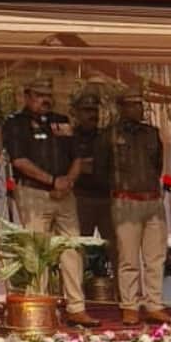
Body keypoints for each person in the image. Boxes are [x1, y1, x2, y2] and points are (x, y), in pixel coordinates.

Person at [2, 77, 100, 327]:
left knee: (71, 249)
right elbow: (19, 161)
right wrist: (52, 181)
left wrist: (67, 180)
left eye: (48, 95)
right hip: (34, 194)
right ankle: (40, 307)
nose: (44, 100)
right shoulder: (16, 124)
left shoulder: (62, 121)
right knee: (38, 251)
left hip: (65, 193)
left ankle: (76, 307)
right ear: (27, 96)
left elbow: (77, 157)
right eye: (39, 95)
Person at [94, 86, 171, 326]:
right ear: (121, 107)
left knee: (155, 257)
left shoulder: (152, 133)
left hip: (152, 199)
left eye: (140, 104)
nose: (137, 108)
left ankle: (154, 304)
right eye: (131, 104)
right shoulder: (109, 134)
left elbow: (157, 165)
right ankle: (129, 305)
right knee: (128, 257)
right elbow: (101, 170)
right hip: (125, 199)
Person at [70, 91, 117, 273]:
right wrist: (84, 165)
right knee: (78, 248)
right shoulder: (72, 137)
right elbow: (74, 165)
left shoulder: (106, 136)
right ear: (77, 113)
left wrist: (88, 164)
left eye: (94, 110)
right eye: (87, 110)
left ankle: (121, 295)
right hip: (82, 198)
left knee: (115, 248)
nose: (92, 114)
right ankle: (78, 295)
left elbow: (111, 165)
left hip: (106, 198)